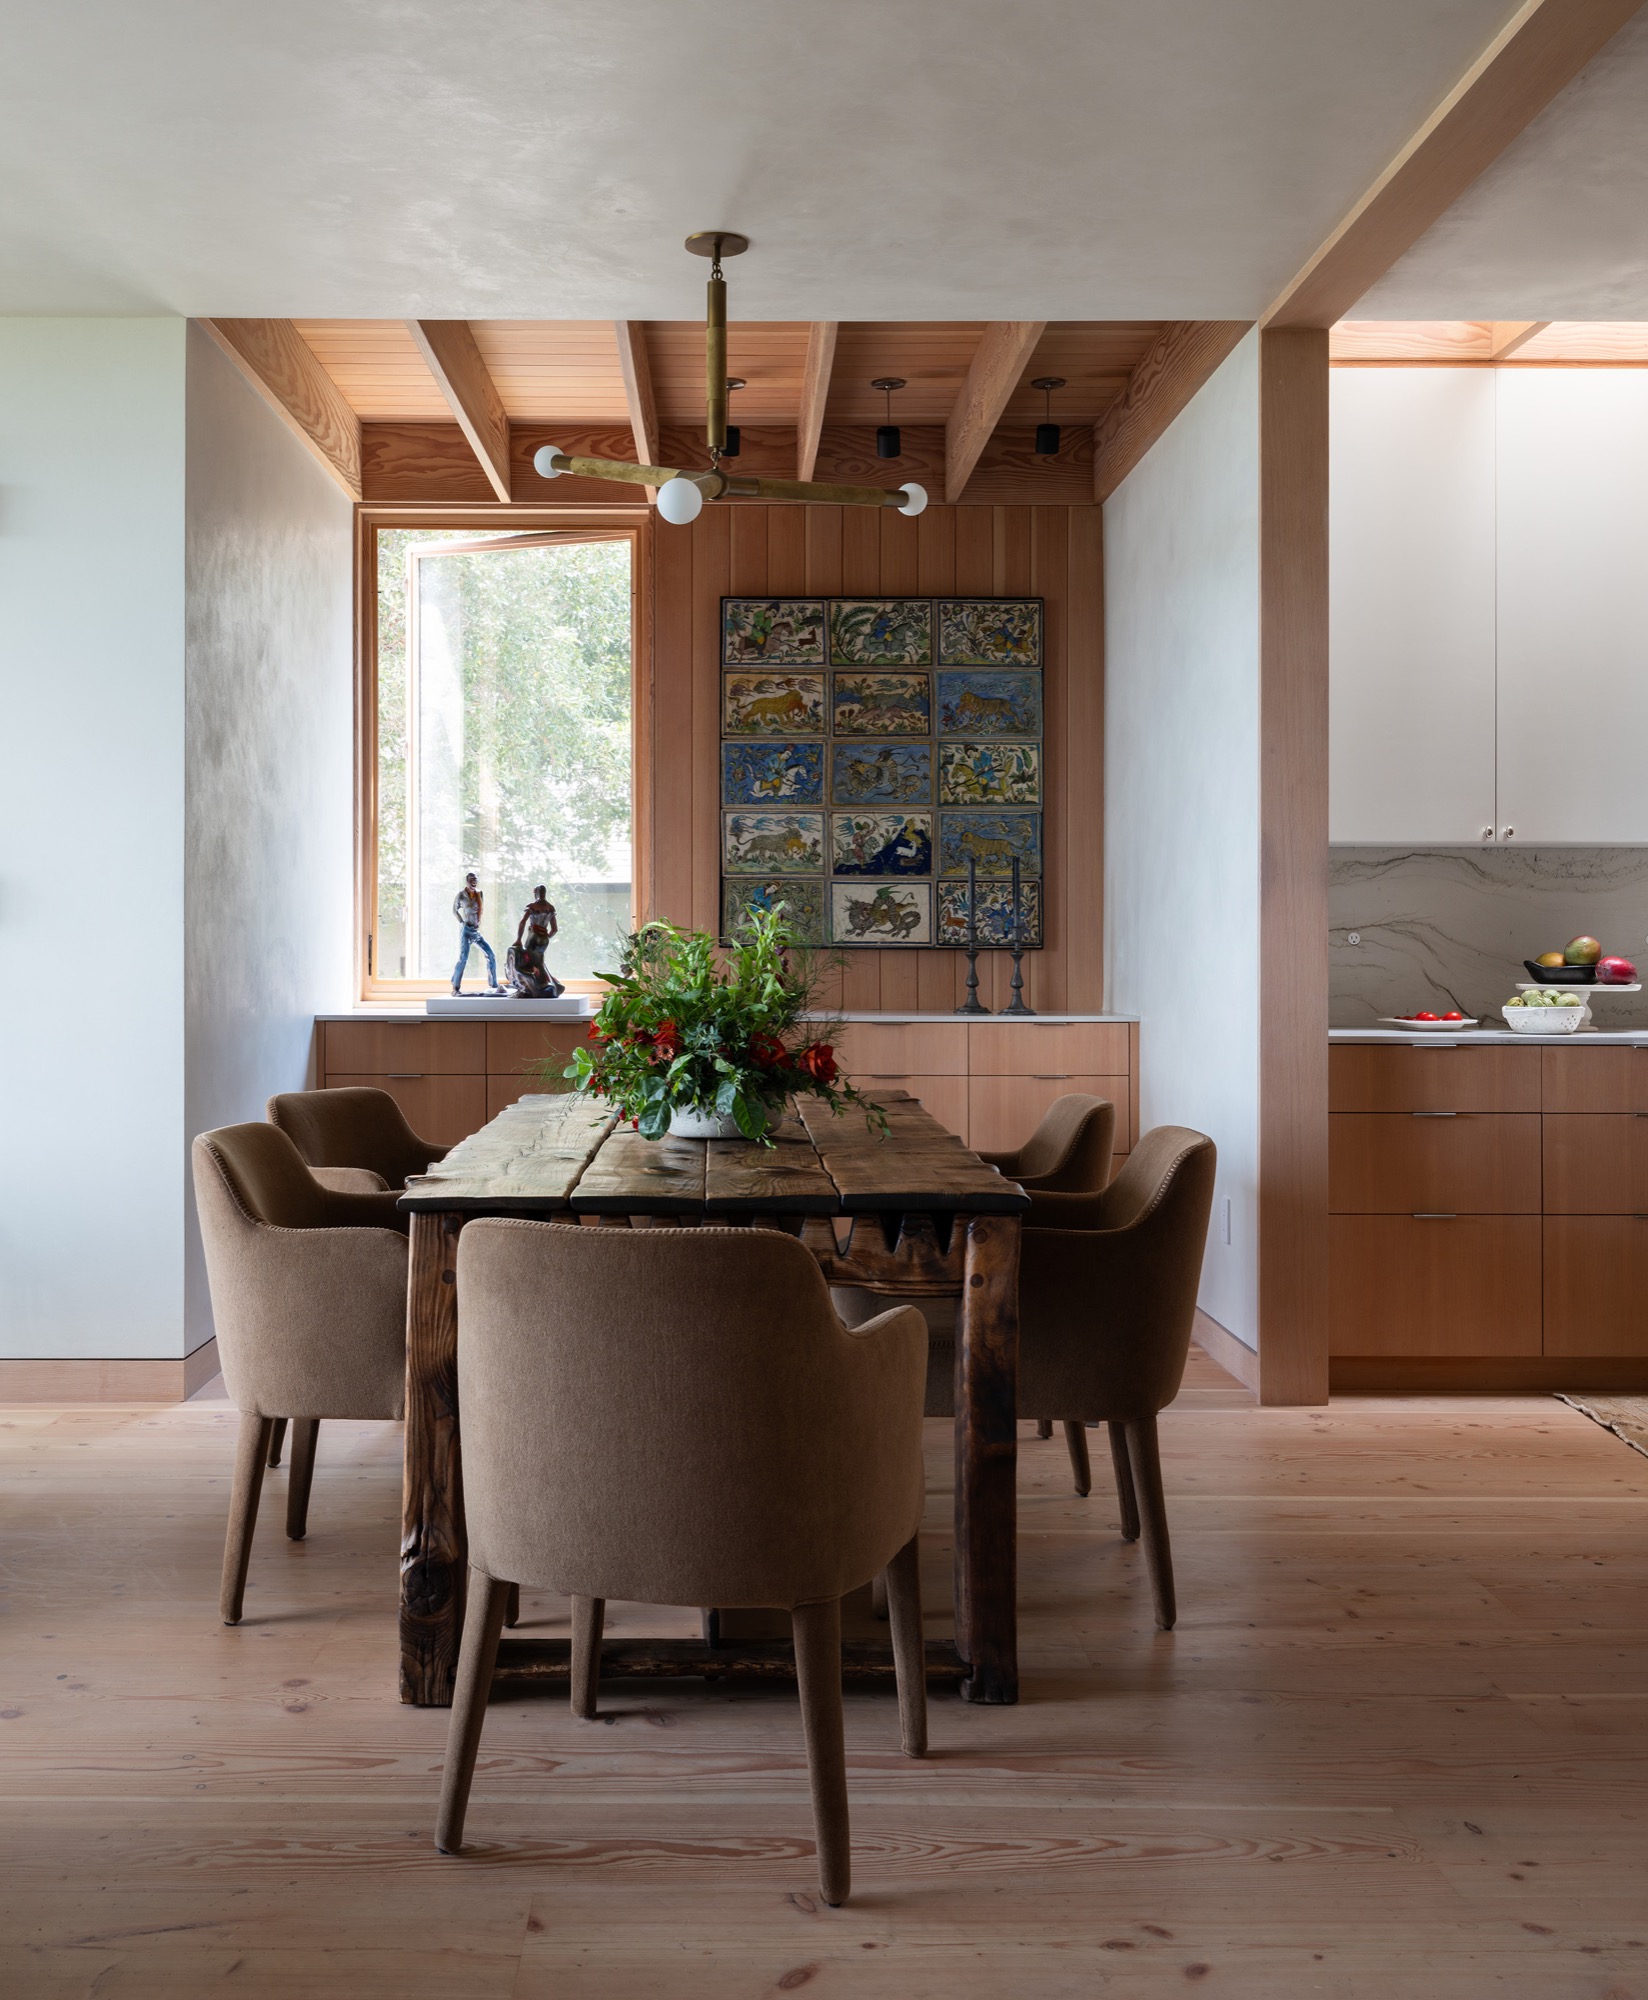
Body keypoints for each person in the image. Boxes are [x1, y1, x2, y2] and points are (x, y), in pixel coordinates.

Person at [506, 886, 565, 999]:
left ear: (537, 893)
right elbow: (554, 929)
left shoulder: (533, 907)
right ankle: (549, 984)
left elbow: (522, 922)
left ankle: (541, 985)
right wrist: (546, 937)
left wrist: (518, 939)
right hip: (544, 938)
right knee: (539, 961)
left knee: (532, 961)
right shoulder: (550, 908)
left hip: (534, 936)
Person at [451, 874, 502, 993]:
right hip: (466, 930)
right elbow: (454, 910)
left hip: (475, 931)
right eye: (471, 880)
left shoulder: (480, 893)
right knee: (463, 958)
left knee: (490, 955)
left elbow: (480, 909)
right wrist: (461, 922)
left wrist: (478, 922)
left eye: (475, 880)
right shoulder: (461, 895)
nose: (474, 882)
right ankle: (456, 985)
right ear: (467, 881)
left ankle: (494, 985)